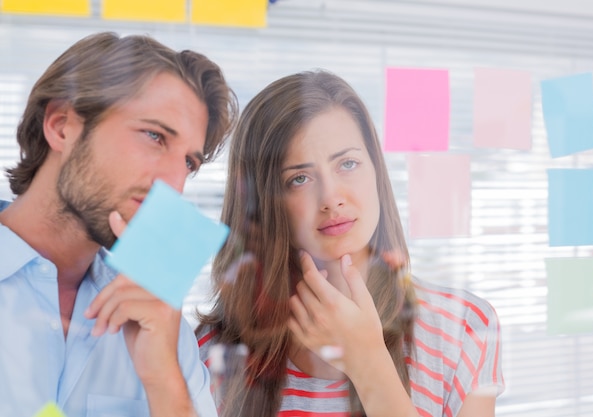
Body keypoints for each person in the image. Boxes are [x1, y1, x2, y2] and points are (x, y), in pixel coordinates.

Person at [196, 69, 504, 417]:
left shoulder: (464, 328)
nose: (331, 198)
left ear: (376, 170)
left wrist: (367, 359)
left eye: (348, 163)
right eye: (299, 178)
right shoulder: (209, 354)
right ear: (264, 205)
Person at [0, 32, 238, 417]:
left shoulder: (159, 316)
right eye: (154, 136)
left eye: (188, 163)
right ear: (62, 127)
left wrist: (163, 379)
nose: (173, 184)